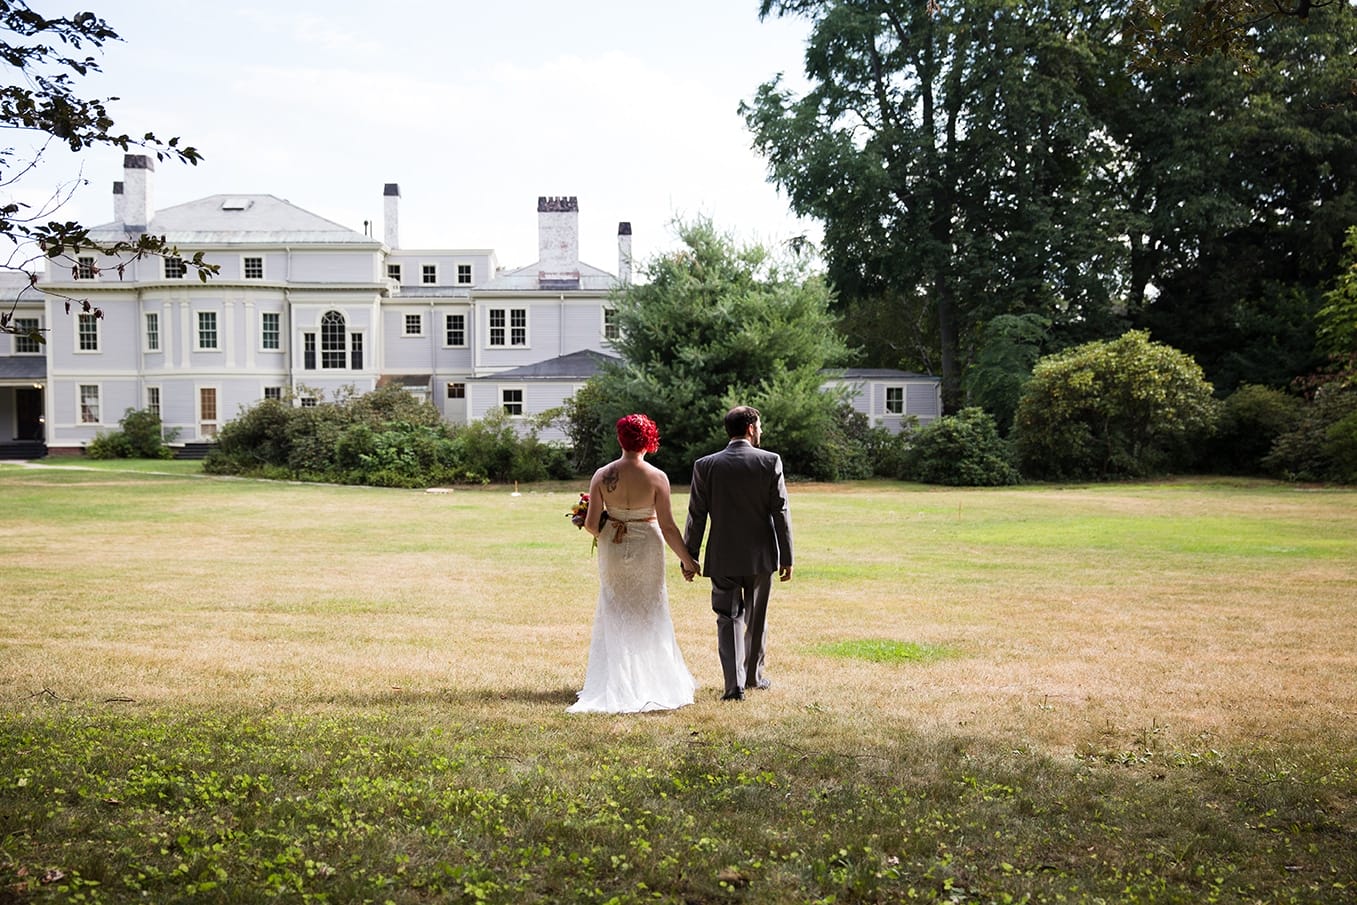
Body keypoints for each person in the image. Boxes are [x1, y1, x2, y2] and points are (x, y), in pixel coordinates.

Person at [567, 413, 702, 713]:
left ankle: (615, 679)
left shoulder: (602, 475)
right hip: (648, 547)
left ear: (620, 439)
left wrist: (607, 522)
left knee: (615, 606)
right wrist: (688, 560)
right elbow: (668, 527)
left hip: (612, 546)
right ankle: (653, 679)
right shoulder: (657, 477)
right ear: (650, 441)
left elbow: (591, 525)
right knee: (650, 608)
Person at [683, 405, 793, 701]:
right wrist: (787, 557)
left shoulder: (705, 465)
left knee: (727, 617)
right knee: (756, 617)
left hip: (722, 555)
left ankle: (733, 685)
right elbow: (780, 512)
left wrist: (689, 556)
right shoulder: (770, 461)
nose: (761, 431)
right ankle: (754, 677)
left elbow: (697, 515)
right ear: (750, 429)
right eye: (759, 426)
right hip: (760, 556)